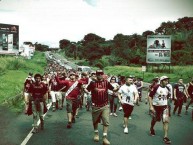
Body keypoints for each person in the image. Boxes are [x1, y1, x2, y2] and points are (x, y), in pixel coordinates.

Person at [85, 70, 118, 145]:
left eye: (101, 74)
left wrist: (118, 88)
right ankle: (96, 133)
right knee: (95, 121)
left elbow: (113, 89)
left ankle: (104, 138)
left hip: (105, 105)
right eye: (98, 74)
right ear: (96, 75)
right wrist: (84, 89)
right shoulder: (92, 83)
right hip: (95, 105)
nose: (100, 75)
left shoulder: (106, 82)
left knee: (106, 121)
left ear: (103, 75)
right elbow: (87, 90)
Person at [149, 76, 171, 144]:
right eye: (165, 80)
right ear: (161, 81)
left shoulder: (167, 88)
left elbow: (167, 97)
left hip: (164, 107)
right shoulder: (156, 87)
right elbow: (150, 96)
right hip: (156, 107)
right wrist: (151, 106)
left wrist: (167, 104)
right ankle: (152, 128)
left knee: (166, 121)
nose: (167, 82)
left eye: (167, 80)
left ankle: (165, 137)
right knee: (155, 120)